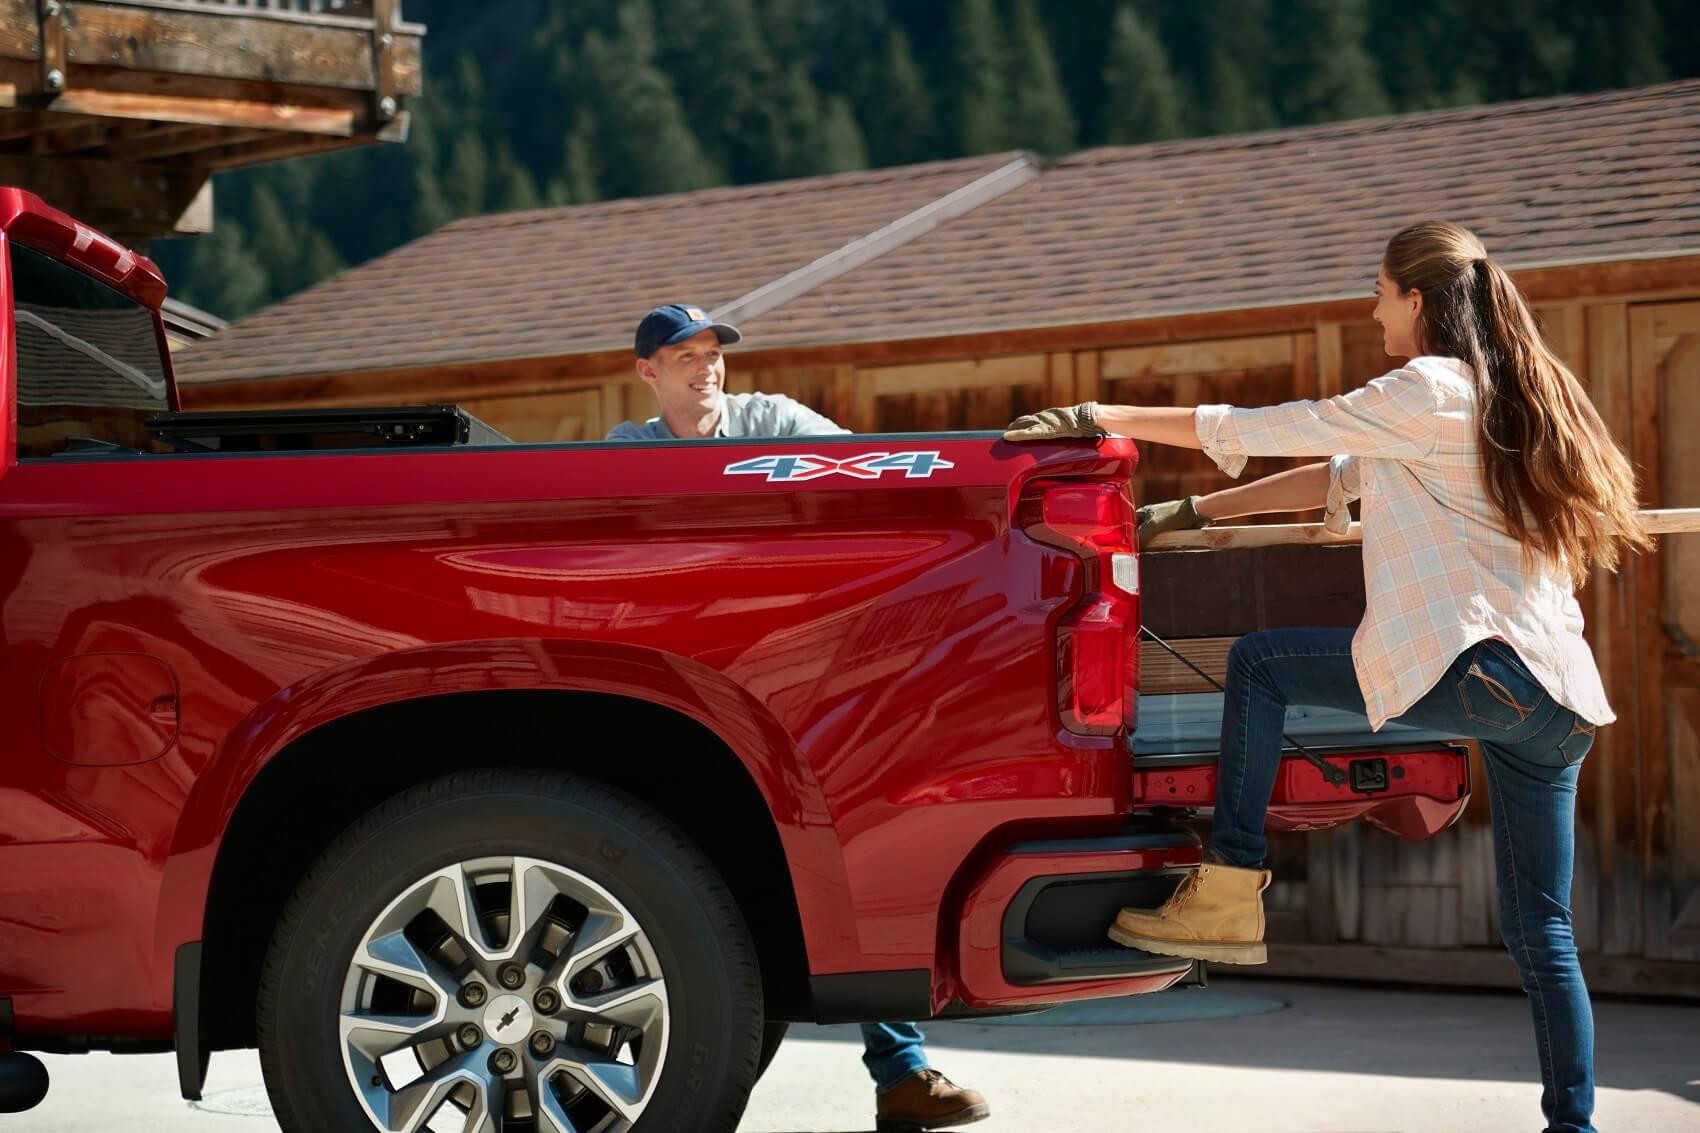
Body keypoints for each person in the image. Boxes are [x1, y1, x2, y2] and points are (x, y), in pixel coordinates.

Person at [1004, 221, 1649, 1133]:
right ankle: (1573, 1126)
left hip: (1482, 670)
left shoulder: (1427, 387)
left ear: (1418, 301)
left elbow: (1279, 427)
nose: (1372, 306)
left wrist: (1103, 418)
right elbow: (1330, 471)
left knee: (1262, 664)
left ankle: (1230, 890)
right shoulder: (1503, 393)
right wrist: (1189, 510)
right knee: (1543, 931)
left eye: (1381, 291)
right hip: (1558, 702)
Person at [610, 303, 991, 1133]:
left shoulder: (773, 421)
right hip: (678, 690)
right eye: (684, 356)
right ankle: (664, 1096)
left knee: (835, 868)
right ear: (648, 373)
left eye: (713, 353)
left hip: (792, 677)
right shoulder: (625, 455)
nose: (706, 368)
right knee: (697, 881)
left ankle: (904, 1072)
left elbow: (864, 472)